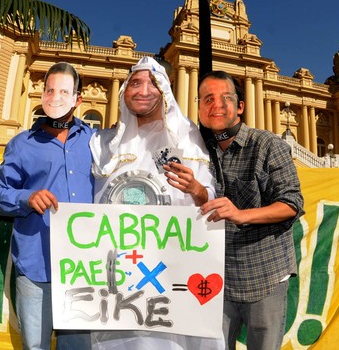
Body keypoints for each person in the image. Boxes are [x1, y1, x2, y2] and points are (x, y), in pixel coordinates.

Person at [89, 56, 223, 350]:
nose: (143, 90)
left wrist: (197, 189)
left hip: (171, 272)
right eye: (135, 82)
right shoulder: (102, 143)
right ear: (124, 90)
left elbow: (211, 202)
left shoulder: (187, 138)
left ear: (165, 90)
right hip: (117, 277)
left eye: (153, 82)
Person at [0, 62, 94, 350]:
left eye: (64, 91)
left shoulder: (96, 142)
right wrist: (26, 198)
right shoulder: (21, 144)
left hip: (85, 269)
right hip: (37, 266)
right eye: (49, 89)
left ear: (78, 98)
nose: (55, 96)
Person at [198, 70, 304, 350]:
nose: (216, 105)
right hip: (216, 278)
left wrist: (240, 214)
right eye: (207, 99)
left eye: (225, 98)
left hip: (264, 274)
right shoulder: (197, 150)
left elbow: (292, 203)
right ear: (198, 108)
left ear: (240, 107)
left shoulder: (268, 145)